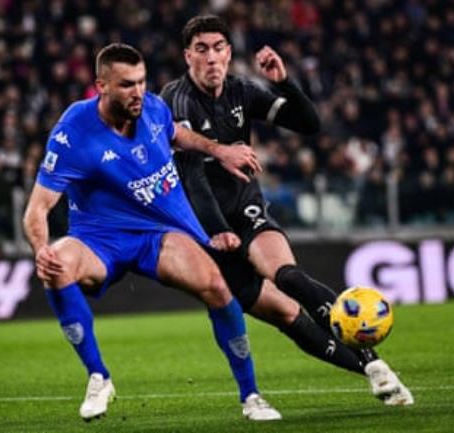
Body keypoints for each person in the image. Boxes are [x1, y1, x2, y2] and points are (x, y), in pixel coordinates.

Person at [160, 15, 413, 406]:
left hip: (245, 209)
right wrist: (215, 231)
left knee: (288, 275)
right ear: (187, 56)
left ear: (229, 53)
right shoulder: (175, 101)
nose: (211, 58)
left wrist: (283, 82)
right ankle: (371, 373)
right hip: (207, 228)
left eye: (219, 48)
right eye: (202, 49)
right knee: (288, 317)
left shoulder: (241, 90)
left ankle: (377, 365)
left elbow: (309, 124)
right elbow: (192, 177)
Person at [23, 43, 282, 422]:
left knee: (217, 286)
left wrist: (220, 150)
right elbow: (37, 207)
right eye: (127, 84)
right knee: (57, 265)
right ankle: (98, 376)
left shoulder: (154, 109)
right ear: (102, 86)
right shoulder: (73, 133)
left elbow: (179, 135)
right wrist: (41, 248)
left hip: (157, 234)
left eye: (142, 82)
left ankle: (252, 396)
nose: (138, 92)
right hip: (99, 238)